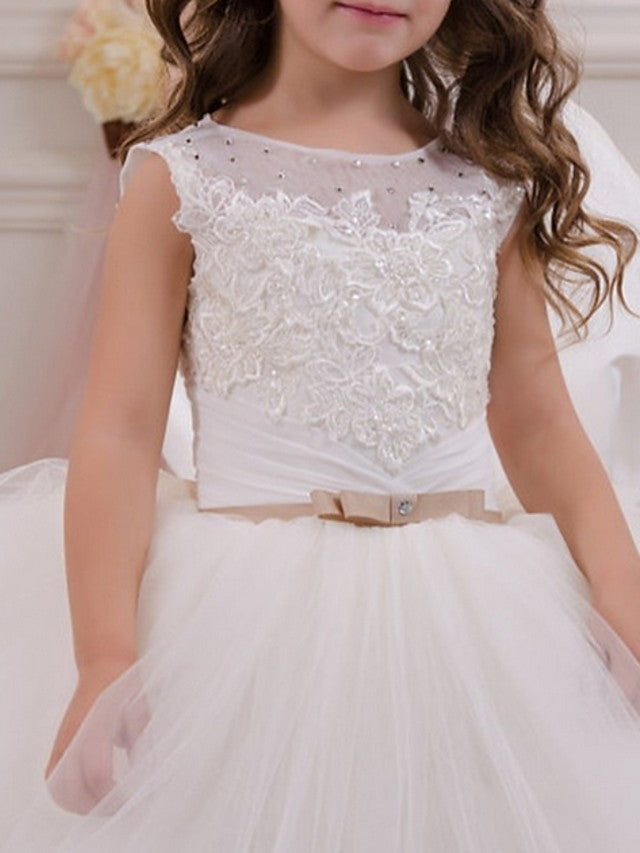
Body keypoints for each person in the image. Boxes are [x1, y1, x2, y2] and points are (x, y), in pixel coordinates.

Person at [3, 0, 640, 849]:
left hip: (472, 624)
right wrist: (105, 656)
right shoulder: (183, 177)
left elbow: (538, 417)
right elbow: (120, 430)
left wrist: (621, 586)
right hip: (245, 628)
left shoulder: (488, 182)